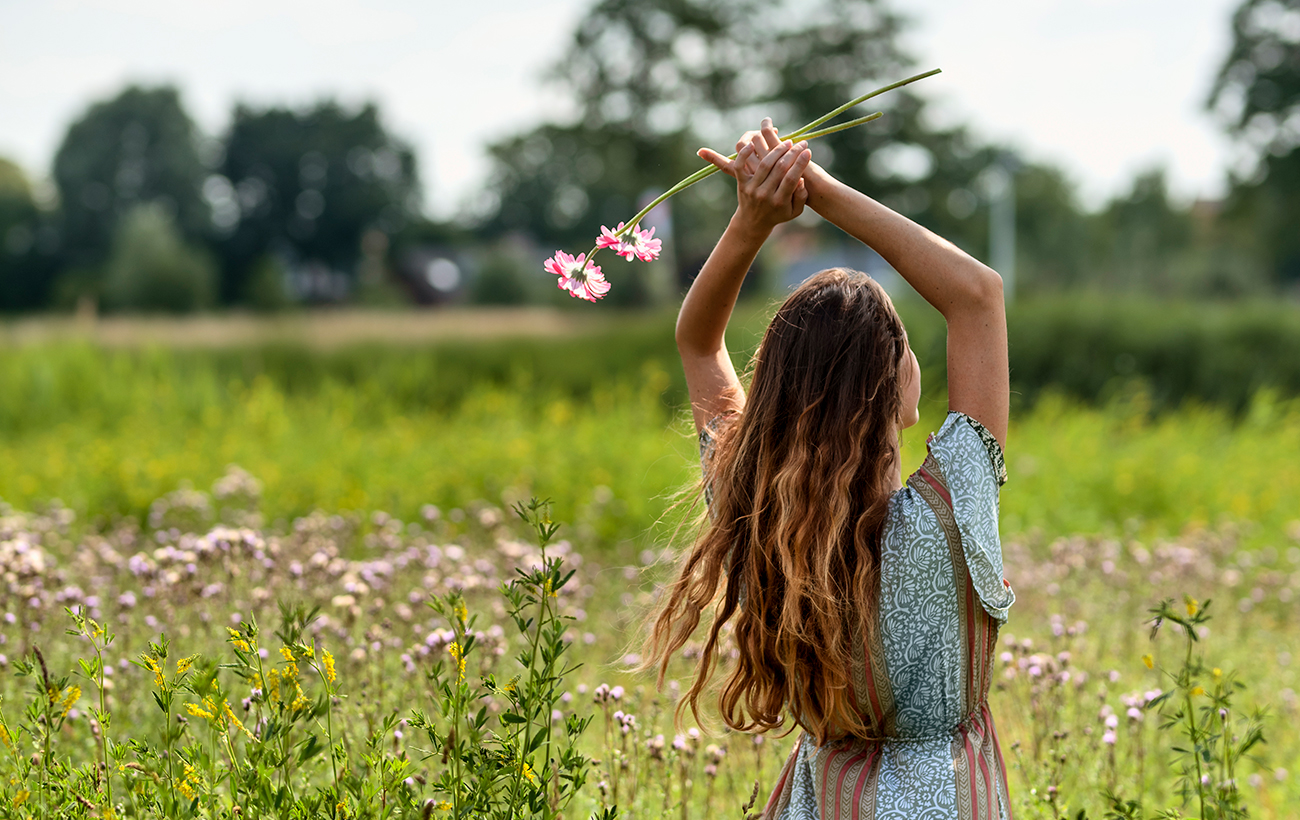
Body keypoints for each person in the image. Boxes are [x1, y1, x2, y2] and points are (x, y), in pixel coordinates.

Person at [646, 118, 1015, 819]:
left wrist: (754, 219)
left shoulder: (754, 507)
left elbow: (698, 341)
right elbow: (977, 295)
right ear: (892, 382)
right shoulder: (950, 509)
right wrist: (812, 185)